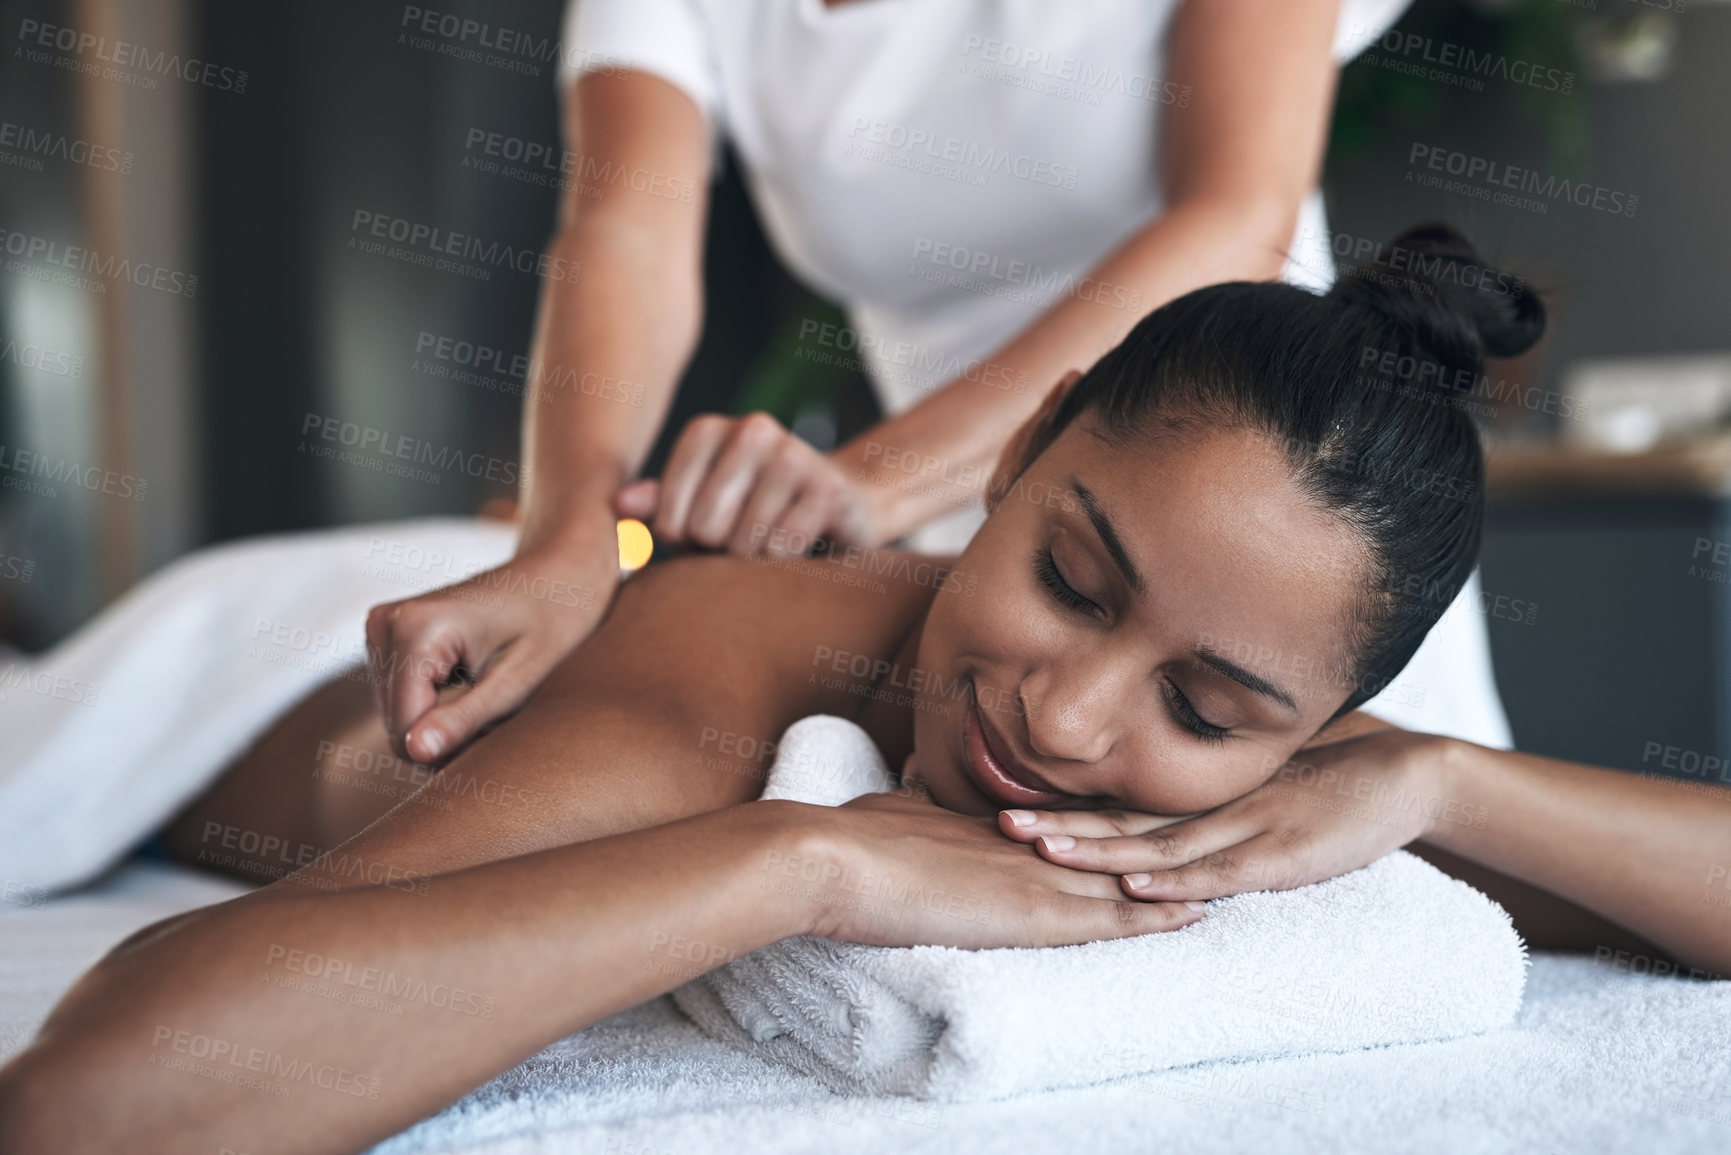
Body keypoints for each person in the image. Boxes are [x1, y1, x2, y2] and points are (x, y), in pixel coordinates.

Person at [7, 228, 1726, 1155]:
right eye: (1069, 577)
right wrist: (803, 861)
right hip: (292, 656)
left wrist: (1447, 785)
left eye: (1203, 712)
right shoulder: (742, 670)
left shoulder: (1308, 762)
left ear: (1318, 719)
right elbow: (97, 1107)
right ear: (1023, 452)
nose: (1062, 721)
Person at [363, 0, 1524, 781]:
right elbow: (624, 224)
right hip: (971, 557)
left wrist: (861, 481)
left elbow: (1235, 218)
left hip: (1259, 543)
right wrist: (568, 538)